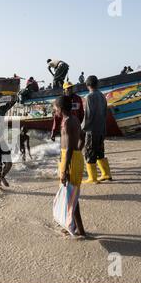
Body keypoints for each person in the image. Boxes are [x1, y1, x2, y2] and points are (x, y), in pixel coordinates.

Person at [54, 95, 86, 237]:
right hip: (74, 157)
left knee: (71, 196)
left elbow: (68, 149)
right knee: (71, 195)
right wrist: (79, 150)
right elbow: (82, 136)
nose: (55, 112)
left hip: (70, 160)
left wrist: (65, 170)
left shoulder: (67, 123)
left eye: (55, 109)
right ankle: (73, 226)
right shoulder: (74, 119)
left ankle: (80, 229)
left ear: (60, 109)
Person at [82, 76, 113, 183]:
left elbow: (88, 116)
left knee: (89, 152)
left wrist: (82, 128)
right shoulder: (102, 96)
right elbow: (105, 113)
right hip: (101, 128)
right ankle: (106, 174)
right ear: (97, 84)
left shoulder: (89, 97)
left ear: (87, 85)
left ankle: (92, 178)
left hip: (92, 130)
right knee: (100, 152)